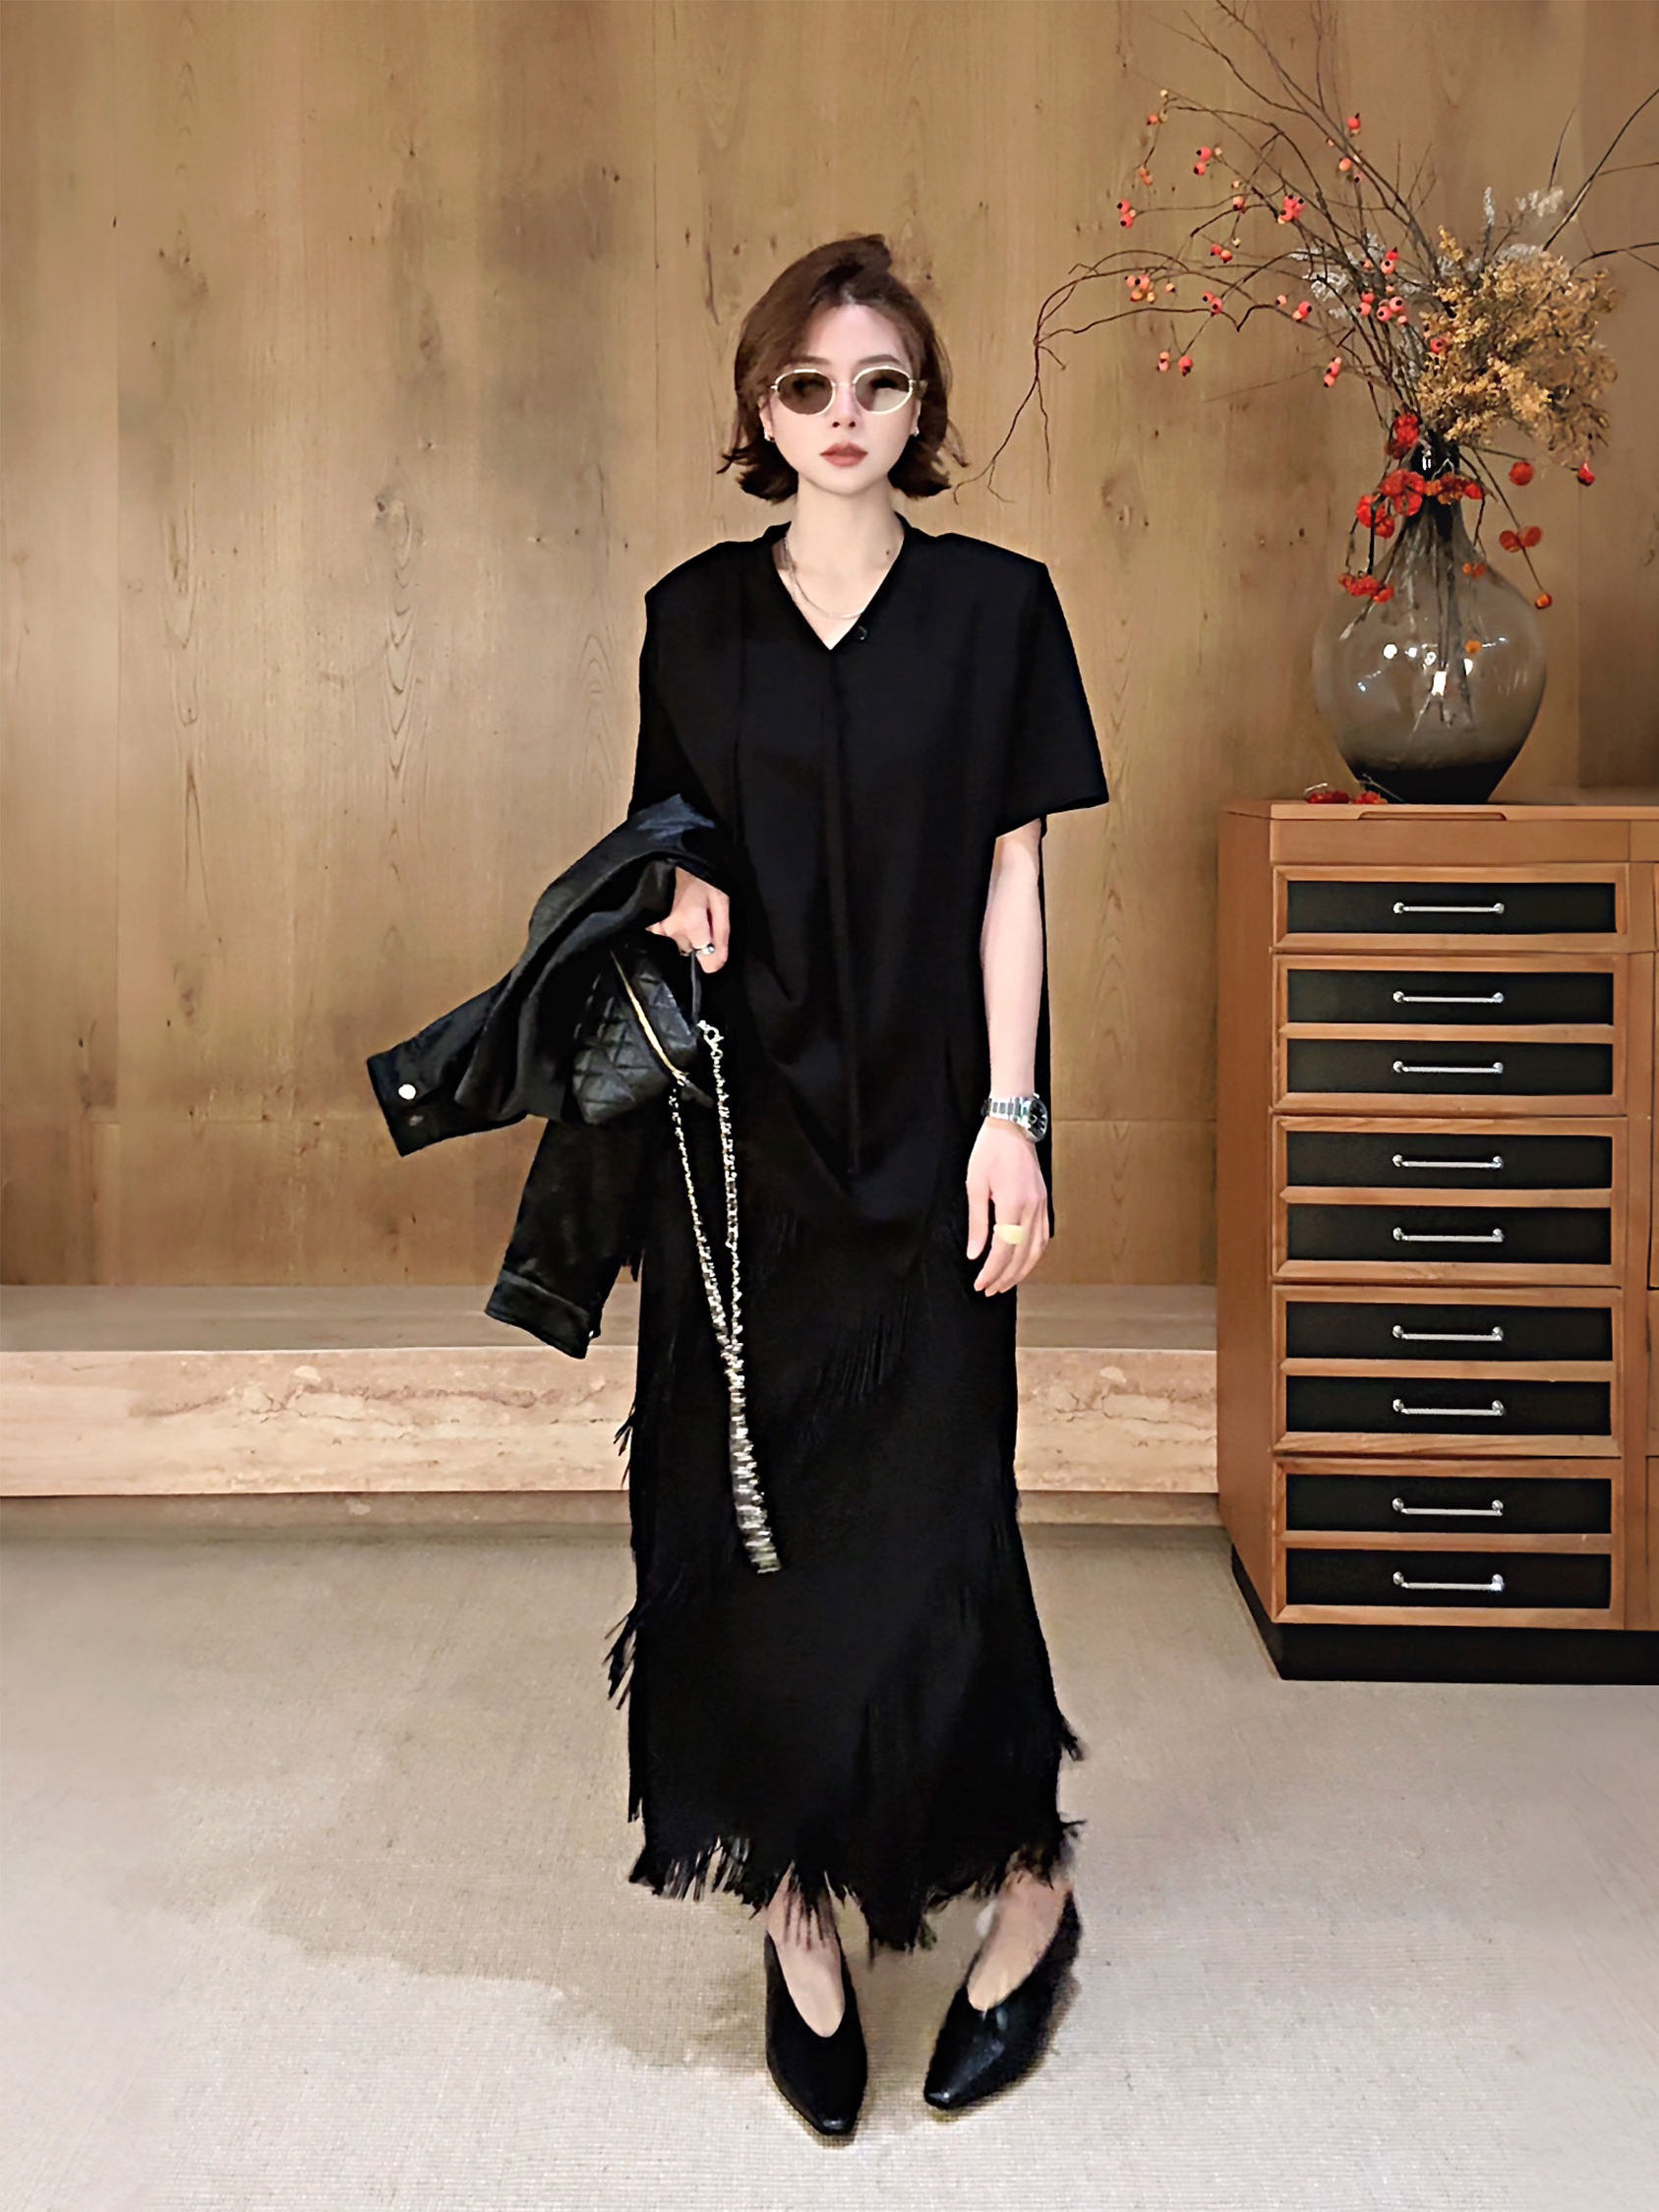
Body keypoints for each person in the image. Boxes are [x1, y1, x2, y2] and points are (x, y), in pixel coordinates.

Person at [605, 234, 1110, 2133]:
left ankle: (1029, 1886)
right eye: (807, 386)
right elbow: (669, 848)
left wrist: (1017, 1115)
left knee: (943, 1515)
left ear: (921, 407)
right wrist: (678, 886)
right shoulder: (689, 619)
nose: (842, 417)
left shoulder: (998, 610)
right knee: (751, 1530)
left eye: (877, 384)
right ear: (764, 405)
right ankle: (797, 1903)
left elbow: (1012, 878)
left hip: (935, 1130)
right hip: (743, 1146)